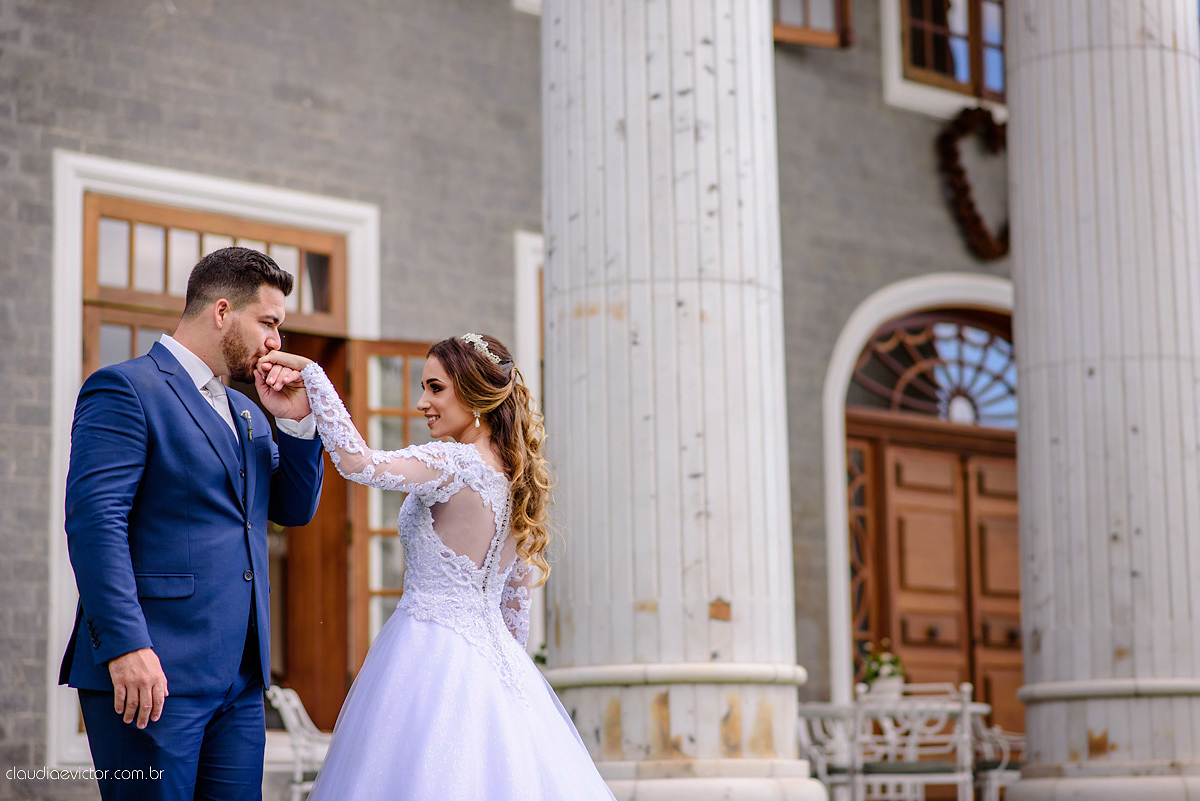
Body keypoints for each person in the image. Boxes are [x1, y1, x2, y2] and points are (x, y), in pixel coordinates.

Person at [257, 333, 615, 800]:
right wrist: (503, 682)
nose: (422, 402)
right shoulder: (514, 476)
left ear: (474, 393)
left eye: (435, 387)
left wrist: (315, 379)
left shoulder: (453, 461)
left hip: (428, 650)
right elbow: (515, 604)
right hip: (495, 664)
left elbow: (358, 463)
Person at [60, 247, 325, 801]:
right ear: (223, 312)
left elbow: (292, 510)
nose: (277, 341)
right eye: (269, 323)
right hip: (151, 676)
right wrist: (125, 646)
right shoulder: (125, 389)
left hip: (241, 684)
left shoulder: (249, 412)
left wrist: (298, 424)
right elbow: (96, 525)